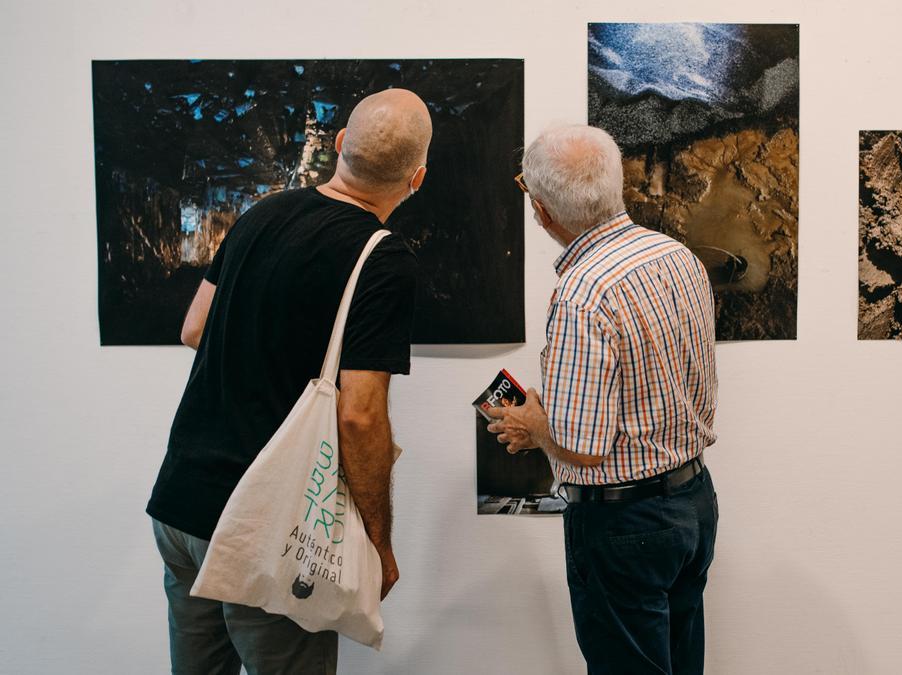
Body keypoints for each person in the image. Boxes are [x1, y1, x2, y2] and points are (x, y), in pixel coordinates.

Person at [146, 88, 432, 675]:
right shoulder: (382, 257)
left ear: (343, 145)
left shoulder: (262, 213)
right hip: (264, 527)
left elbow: (195, 327)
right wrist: (379, 542)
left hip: (180, 504)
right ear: (417, 178)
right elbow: (359, 414)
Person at [488, 125, 720, 675]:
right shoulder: (676, 255)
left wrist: (533, 425)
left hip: (626, 524)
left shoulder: (582, 295)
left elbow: (581, 446)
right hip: (693, 500)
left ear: (543, 212)